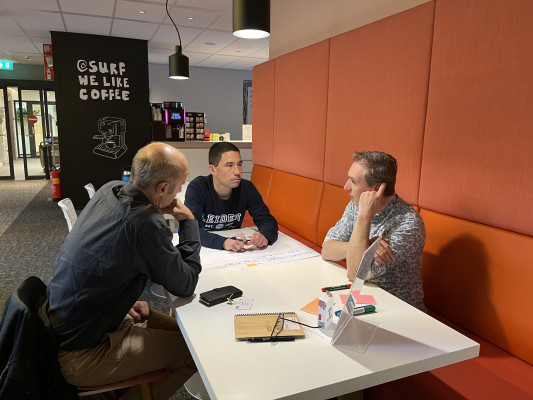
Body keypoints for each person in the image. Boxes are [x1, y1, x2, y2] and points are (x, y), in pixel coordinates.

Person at [46, 142, 201, 400]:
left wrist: (119, 302)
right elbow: (185, 283)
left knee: (188, 334)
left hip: (69, 323)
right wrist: (188, 221)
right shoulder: (145, 224)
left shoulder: (111, 190)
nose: (181, 191)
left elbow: (102, 258)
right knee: (196, 353)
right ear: (163, 188)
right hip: (81, 353)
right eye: (179, 185)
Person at [321, 151, 426, 311]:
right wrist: (366, 246)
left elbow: (354, 273)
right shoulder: (355, 205)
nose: (345, 186)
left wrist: (364, 216)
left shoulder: (408, 224)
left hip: (398, 313)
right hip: (364, 300)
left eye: (353, 181)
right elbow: (327, 250)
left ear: (376, 189)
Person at [185, 142, 278, 251]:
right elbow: (190, 230)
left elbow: (267, 220)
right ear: (212, 169)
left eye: (239, 164)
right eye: (229, 165)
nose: (237, 172)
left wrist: (265, 236)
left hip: (235, 250)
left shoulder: (246, 188)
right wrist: (223, 242)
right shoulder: (197, 188)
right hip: (205, 248)